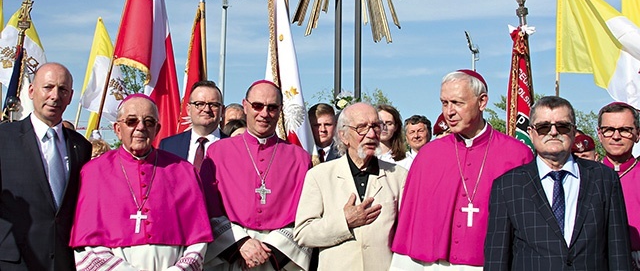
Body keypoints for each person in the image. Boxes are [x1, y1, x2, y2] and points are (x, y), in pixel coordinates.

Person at [391, 70, 533, 270]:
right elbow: (412, 225)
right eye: (444, 103)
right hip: (435, 266)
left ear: (482, 102)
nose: (449, 112)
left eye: (457, 103)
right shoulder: (428, 155)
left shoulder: (516, 154)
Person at [484, 96, 632, 270]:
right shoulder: (508, 186)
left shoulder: (604, 179)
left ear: (573, 131)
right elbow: (497, 258)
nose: (553, 132)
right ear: (531, 132)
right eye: (543, 127)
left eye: (562, 126)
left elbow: (618, 251)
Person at [70, 94, 213, 270]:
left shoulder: (183, 171)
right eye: (131, 121)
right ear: (117, 129)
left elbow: (198, 241)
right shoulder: (94, 172)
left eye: (149, 122)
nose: (140, 127)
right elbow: (87, 245)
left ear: (157, 129)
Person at [201, 80, 312, 270]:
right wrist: (240, 244)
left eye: (272, 108)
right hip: (230, 254)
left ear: (280, 110)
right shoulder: (217, 153)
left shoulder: (300, 158)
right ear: (245, 105)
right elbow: (206, 207)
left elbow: (305, 215)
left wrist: (270, 251)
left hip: (279, 258)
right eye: (257, 106)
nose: (264, 114)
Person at [0, 62, 92, 271]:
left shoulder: (81, 147)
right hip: (14, 262)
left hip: (63, 261)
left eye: (62, 89)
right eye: (48, 87)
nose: (55, 96)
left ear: (70, 96)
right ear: (31, 91)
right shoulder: (4, 138)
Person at [294, 102, 407, 270]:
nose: (371, 134)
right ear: (344, 136)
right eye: (361, 127)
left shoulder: (398, 176)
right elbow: (303, 233)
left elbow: (407, 234)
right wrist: (344, 222)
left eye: (375, 126)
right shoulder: (320, 176)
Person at [597, 101, 640, 267]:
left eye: (625, 130)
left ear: (637, 134)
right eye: (609, 130)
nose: (616, 136)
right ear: (600, 135)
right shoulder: (583, 177)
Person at [160, 80, 224, 170]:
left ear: (222, 110)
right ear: (188, 109)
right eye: (200, 104)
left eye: (213, 105)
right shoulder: (168, 146)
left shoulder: (234, 148)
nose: (206, 109)